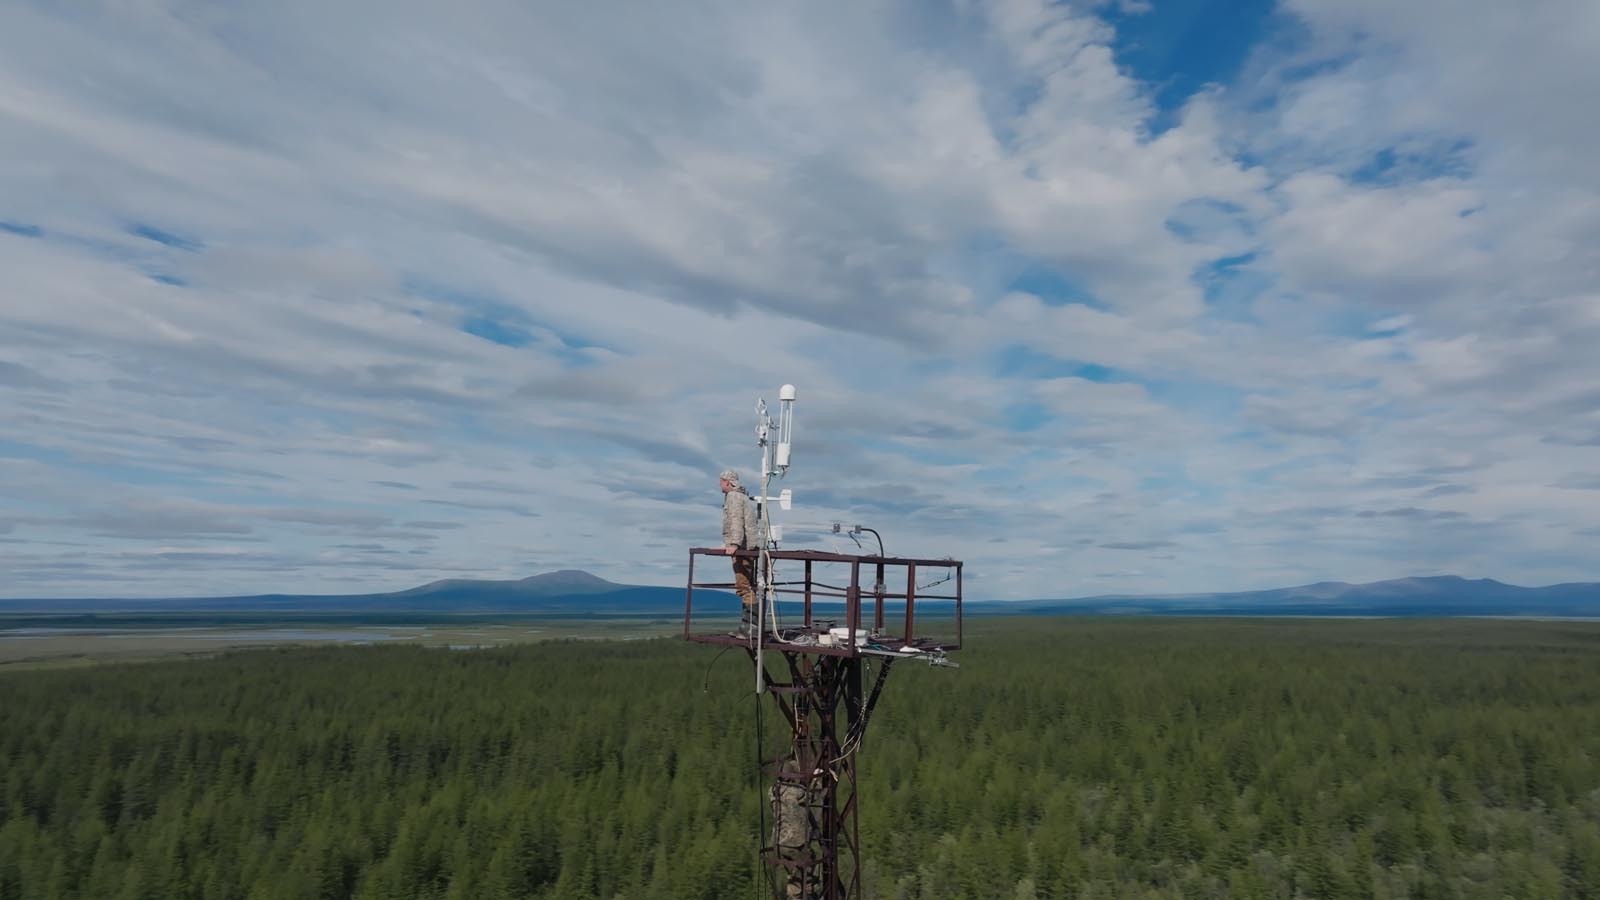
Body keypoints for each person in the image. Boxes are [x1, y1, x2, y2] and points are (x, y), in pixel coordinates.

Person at [719, 468, 760, 637]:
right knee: (746, 585)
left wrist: (734, 543)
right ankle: (748, 627)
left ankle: (750, 628)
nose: (720, 484)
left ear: (728, 482)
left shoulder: (733, 497)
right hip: (746, 546)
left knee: (743, 586)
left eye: (722, 481)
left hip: (742, 548)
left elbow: (736, 520)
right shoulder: (742, 497)